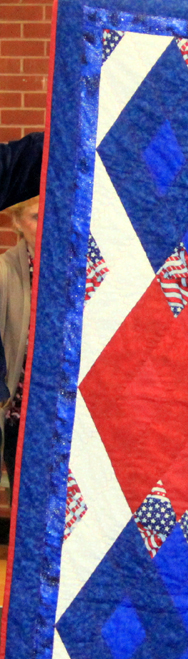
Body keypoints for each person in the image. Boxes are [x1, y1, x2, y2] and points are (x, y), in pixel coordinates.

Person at [0, 196, 38, 493]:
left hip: (67, 416)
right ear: (17, 222)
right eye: (35, 217)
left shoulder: (77, 269)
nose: (45, 223)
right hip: (21, 415)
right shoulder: (4, 272)